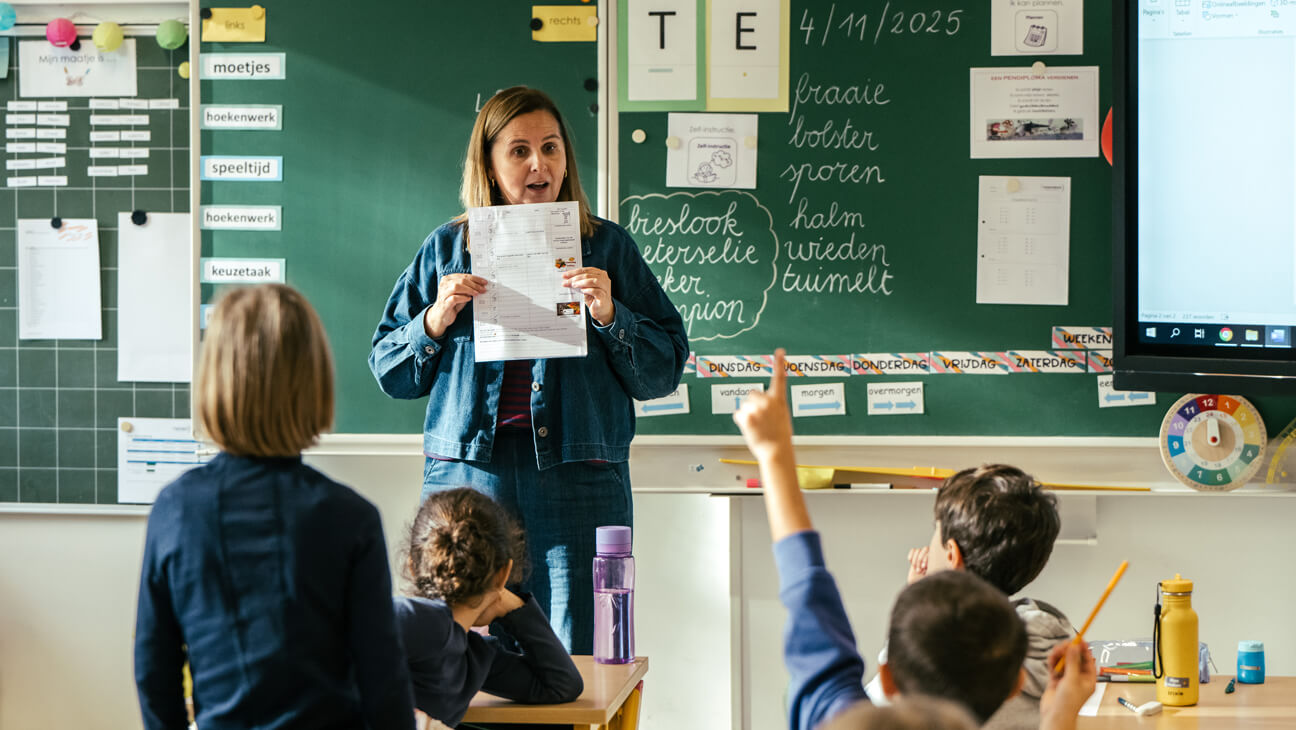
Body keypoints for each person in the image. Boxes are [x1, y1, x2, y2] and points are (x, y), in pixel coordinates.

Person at [370, 86, 688, 652]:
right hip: (470, 480)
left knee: (581, 656)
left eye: (551, 148)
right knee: (455, 654)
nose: (539, 164)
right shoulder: (447, 249)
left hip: (578, 479)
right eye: (518, 151)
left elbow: (661, 373)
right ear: (489, 166)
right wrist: (436, 319)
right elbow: (391, 371)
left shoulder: (608, 248)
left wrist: (612, 315)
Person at [731, 349, 1096, 729]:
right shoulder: (1038, 651)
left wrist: (772, 453)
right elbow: (807, 590)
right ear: (1013, 684)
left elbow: (807, 592)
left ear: (889, 677)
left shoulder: (846, 719)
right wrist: (1061, 716)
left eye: (935, 532)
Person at [134, 284, 415, 730]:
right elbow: (383, 681)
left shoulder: (176, 510)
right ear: (314, 382)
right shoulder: (350, 518)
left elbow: (154, 670)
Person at [866, 465, 1075, 729]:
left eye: (936, 530)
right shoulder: (1048, 643)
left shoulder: (931, 654)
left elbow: (876, 700)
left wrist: (916, 612)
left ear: (952, 555)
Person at [395, 487, 584, 727]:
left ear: (413, 567)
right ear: (503, 574)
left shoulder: (474, 656)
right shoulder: (421, 621)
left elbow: (561, 685)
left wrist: (514, 605)